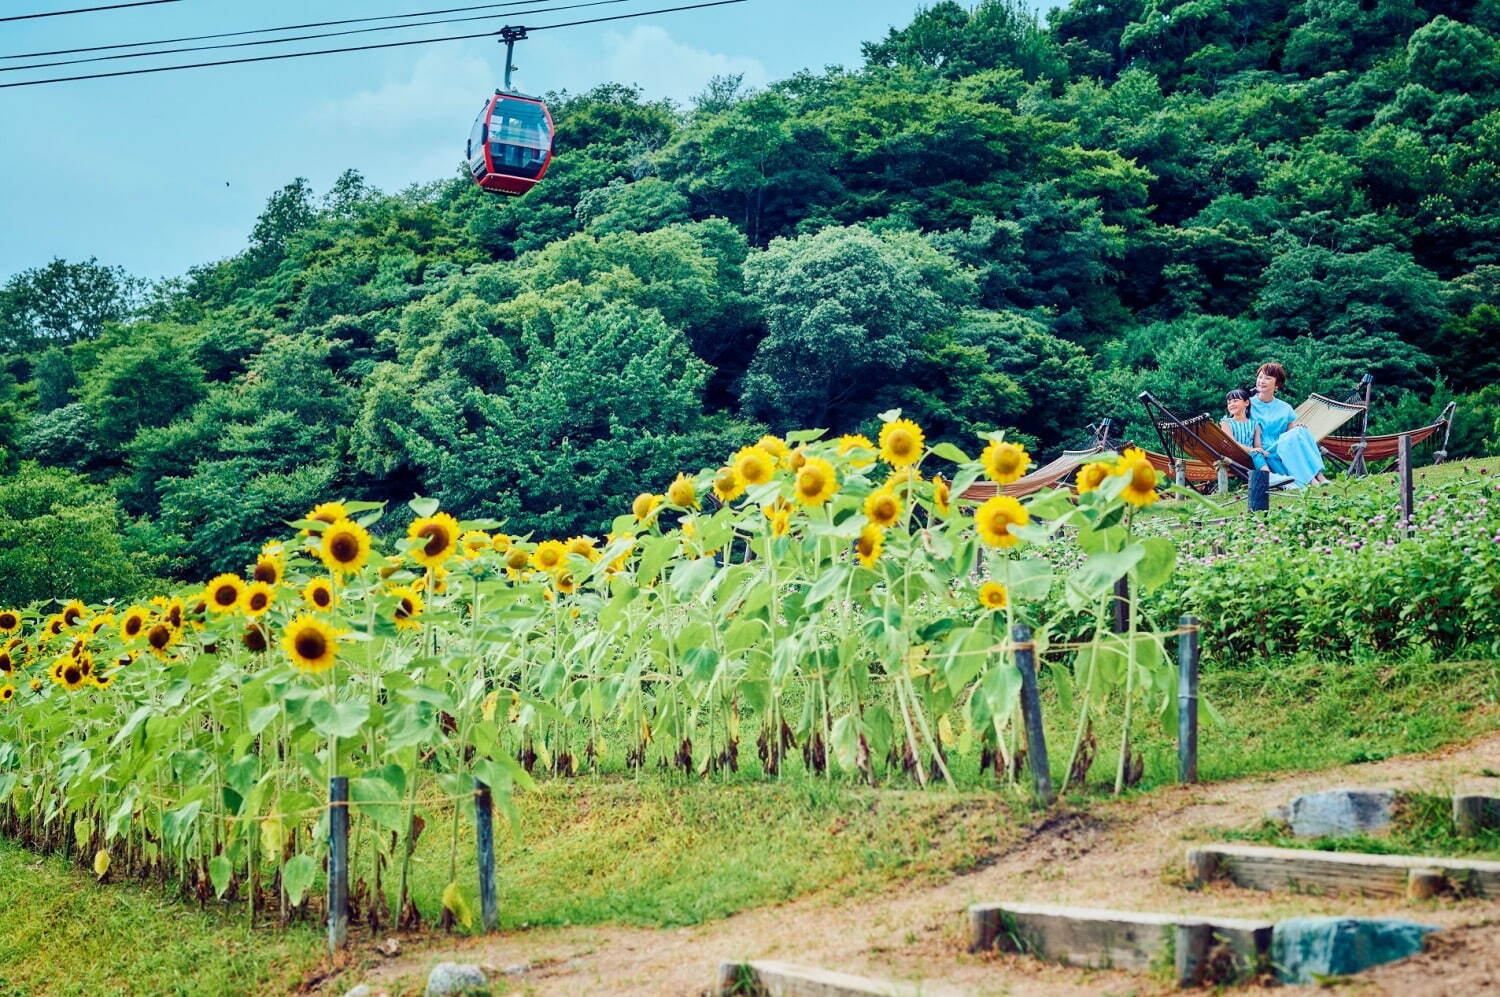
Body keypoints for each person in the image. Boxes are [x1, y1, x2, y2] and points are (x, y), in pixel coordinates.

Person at [1249, 362, 1330, 486]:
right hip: (1267, 450)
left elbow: (1291, 433)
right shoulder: (1248, 405)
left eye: (1267, 378)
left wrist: (1298, 429)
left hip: (1285, 446)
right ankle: (1311, 479)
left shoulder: (1285, 407)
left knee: (1302, 430)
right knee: (1295, 435)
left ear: (1277, 384)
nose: (1262, 381)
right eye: (1260, 377)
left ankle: (1320, 476)